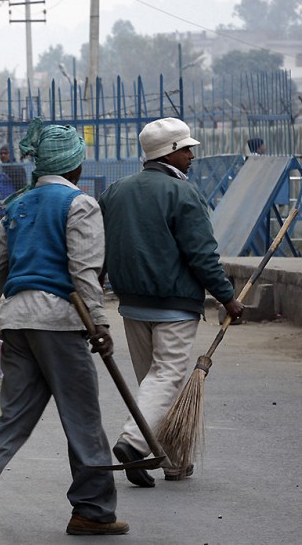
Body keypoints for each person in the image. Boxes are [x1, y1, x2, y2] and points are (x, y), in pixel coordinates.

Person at [0, 117, 128, 537]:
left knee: (12, 418)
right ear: (75, 166)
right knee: (83, 418)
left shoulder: (18, 206)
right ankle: (92, 510)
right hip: (59, 322)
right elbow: (84, 272)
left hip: (16, 322)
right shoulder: (81, 204)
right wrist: (100, 323)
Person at [99, 117, 244, 487]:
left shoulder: (115, 191)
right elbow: (202, 255)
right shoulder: (183, 194)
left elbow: (99, 249)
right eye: (186, 149)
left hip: (131, 304)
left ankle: (172, 461)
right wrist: (227, 298)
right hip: (174, 306)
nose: (192, 156)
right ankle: (133, 443)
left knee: (155, 382)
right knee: (165, 379)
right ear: (170, 152)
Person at [0, 143, 28, 216]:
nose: (3, 155)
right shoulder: (4, 168)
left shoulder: (16, 168)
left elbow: (22, 188)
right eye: (1, 153)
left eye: (5, 153)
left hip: (11, 207)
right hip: (3, 207)